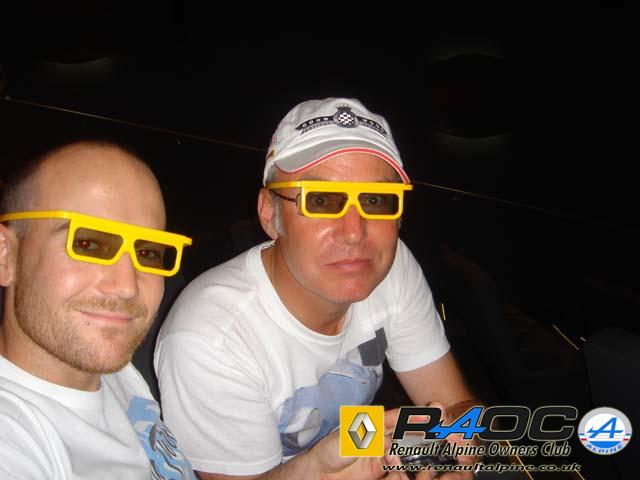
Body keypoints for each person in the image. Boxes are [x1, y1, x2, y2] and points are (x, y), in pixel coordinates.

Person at [0, 140, 411, 480]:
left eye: (148, 252)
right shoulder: (16, 437)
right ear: (6, 254)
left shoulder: (115, 376)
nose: (126, 285)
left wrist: (313, 470)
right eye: (87, 244)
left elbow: (444, 412)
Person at [155, 98, 480, 479]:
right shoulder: (210, 340)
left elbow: (457, 405)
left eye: (376, 201)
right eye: (321, 200)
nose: (355, 232)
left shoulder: (392, 268)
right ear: (270, 214)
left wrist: (458, 452)